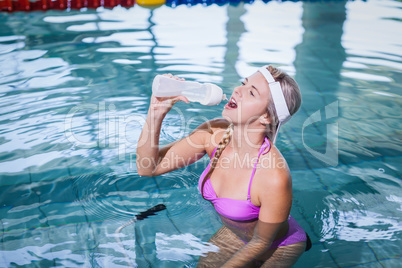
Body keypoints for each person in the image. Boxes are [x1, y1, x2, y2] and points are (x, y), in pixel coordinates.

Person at [136, 65, 310, 267]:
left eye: (251, 92)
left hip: (278, 247)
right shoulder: (213, 133)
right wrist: (156, 112)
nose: (238, 90)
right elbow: (147, 167)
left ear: (266, 117)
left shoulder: (273, 176)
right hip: (236, 235)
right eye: (243, 84)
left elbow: (261, 242)